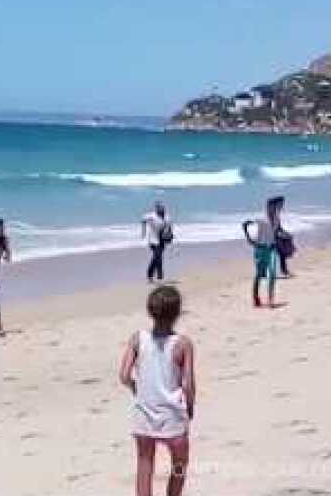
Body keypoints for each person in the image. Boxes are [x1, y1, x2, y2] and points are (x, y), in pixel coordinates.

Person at [118, 285, 194, 496]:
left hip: (144, 413)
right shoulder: (182, 344)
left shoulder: (138, 339)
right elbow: (188, 385)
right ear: (178, 313)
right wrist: (190, 407)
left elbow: (124, 375)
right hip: (172, 414)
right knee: (179, 461)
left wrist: (137, 388)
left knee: (144, 463)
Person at [243, 198, 281, 308]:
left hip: (272, 249)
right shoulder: (260, 219)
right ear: (268, 207)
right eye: (273, 207)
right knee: (259, 275)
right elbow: (245, 224)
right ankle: (256, 298)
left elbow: (273, 233)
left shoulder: (277, 219)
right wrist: (249, 238)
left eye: (276, 207)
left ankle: (270, 300)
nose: (275, 209)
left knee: (272, 273)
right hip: (260, 249)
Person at [141, 202, 173, 283]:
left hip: (162, 240)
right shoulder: (151, 216)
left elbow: (169, 227)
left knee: (156, 258)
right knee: (158, 257)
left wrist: (169, 237)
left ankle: (149, 276)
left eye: (163, 208)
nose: (162, 209)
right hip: (152, 240)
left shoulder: (167, 217)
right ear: (156, 209)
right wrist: (143, 231)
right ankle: (160, 278)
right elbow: (143, 220)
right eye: (160, 208)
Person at [270, 196, 295, 277]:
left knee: (281, 254)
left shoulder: (274, 213)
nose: (282, 205)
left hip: (275, 236)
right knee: (282, 253)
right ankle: (284, 271)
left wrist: (285, 232)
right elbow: (274, 228)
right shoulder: (274, 214)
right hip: (274, 237)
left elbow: (278, 227)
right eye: (281, 203)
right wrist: (281, 234)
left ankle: (284, 270)